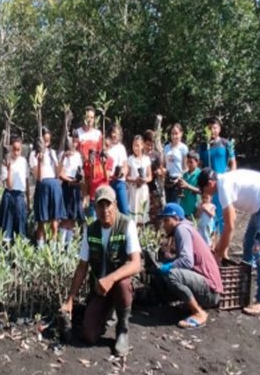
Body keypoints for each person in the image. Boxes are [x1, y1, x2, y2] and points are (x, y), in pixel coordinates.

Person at [60, 185, 141, 356]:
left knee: (123, 285)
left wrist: (111, 279)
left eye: (108, 204)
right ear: (95, 207)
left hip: (119, 285)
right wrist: (70, 300)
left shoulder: (127, 225)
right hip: (99, 288)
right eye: (100, 205)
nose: (104, 210)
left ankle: (122, 330)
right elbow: (82, 267)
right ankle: (107, 313)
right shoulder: (91, 230)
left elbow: (135, 264)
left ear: (115, 204)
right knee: (88, 336)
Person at [198, 168, 260, 316]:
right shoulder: (224, 183)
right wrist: (221, 249)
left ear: (211, 183)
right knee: (248, 244)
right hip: (259, 207)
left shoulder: (223, 186)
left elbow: (230, 225)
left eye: (204, 189)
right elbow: (229, 222)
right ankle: (242, 289)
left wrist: (219, 252)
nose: (205, 193)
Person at [150, 203, 222, 328]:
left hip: (210, 290)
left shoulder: (181, 229)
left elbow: (187, 261)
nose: (164, 225)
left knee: (173, 274)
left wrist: (166, 267)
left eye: (167, 220)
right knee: (169, 268)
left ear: (176, 219)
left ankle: (198, 313)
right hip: (206, 286)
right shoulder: (186, 228)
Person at [198, 117, 236, 235]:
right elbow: (200, 165)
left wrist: (232, 177)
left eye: (215, 128)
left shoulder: (226, 144)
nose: (212, 131)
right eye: (209, 128)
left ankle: (223, 244)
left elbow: (233, 162)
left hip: (222, 184)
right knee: (209, 215)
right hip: (209, 187)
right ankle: (211, 244)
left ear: (219, 129)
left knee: (223, 213)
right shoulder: (203, 146)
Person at [30, 126, 66, 247]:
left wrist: (63, 159)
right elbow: (38, 177)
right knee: (41, 221)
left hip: (55, 186)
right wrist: (40, 161)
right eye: (44, 141)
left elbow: (58, 173)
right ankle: (40, 250)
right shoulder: (33, 155)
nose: (46, 144)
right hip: (43, 187)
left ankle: (53, 251)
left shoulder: (52, 153)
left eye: (48, 141)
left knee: (55, 222)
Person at [0, 135, 30, 242]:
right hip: (9, 197)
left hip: (20, 197)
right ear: (11, 148)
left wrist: (28, 201)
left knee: (20, 228)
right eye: (14, 149)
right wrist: (9, 168)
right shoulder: (5, 162)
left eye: (18, 150)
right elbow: (10, 185)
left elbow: (26, 181)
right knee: (7, 228)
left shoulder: (23, 161)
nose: (16, 152)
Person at [58, 131, 84, 247]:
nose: (74, 144)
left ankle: (68, 248)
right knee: (65, 218)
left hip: (76, 188)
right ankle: (60, 247)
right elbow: (60, 174)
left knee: (72, 219)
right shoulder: (64, 155)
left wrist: (81, 177)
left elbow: (80, 171)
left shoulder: (78, 155)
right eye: (72, 141)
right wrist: (70, 181)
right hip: (67, 187)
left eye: (76, 141)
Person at [84, 138, 113, 220]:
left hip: (104, 193)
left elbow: (107, 178)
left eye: (107, 146)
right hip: (94, 194)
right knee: (92, 219)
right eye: (103, 145)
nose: (104, 147)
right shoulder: (94, 157)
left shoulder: (109, 159)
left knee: (104, 218)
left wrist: (104, 165)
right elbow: (92, 176)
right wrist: (92, 165)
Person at [126, 135, 152, 225]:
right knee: (133, 214)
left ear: (142, 146)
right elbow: (127, 176)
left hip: (143, 190)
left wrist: (144, 180)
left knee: (142, 213)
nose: (135, 148)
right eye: (134, 145)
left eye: (137, 145)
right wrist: (135, 180)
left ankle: (142, 234)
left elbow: (150, 177)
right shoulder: (130, 159)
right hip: (134, 189)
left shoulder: (146, 159)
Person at [143, 129, 164, 226]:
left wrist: (160, 172)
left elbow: (161, 170)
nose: (150, 147)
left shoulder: (156, 155)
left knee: (155, 211)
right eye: (148, 144)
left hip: (153, 187)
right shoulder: (140, 154)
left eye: (152, 145)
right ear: (143, 143)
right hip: (142, 187)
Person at [163, 124, 188, 203]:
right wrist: (163, 172)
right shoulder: (166, 147)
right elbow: (164, 164)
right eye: (172, 133)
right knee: (168, 205)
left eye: (176, 133)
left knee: (176, 205)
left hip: (178, 181)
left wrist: (179, 178)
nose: (174, 136)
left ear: (181, 134)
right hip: (168, 180)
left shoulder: (183, 148)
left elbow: (185, 167)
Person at [107, 124, 129, 215]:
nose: (114, 135)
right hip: (108, 181)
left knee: (124, 209)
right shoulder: (106, 148)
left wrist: (122, 173)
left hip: (119, 181)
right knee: (109, 210)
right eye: (113, 132)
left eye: (116, 133)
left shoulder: (121, 148)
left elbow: (125, 166)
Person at [178, 151, 202, 219]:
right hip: (184, 207)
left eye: (191, 162)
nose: (188, 164)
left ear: (197, 162)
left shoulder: (200, 175)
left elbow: (201, 191)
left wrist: (187, 186)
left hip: (194, 208)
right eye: (187, 162)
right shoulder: (185, 174)